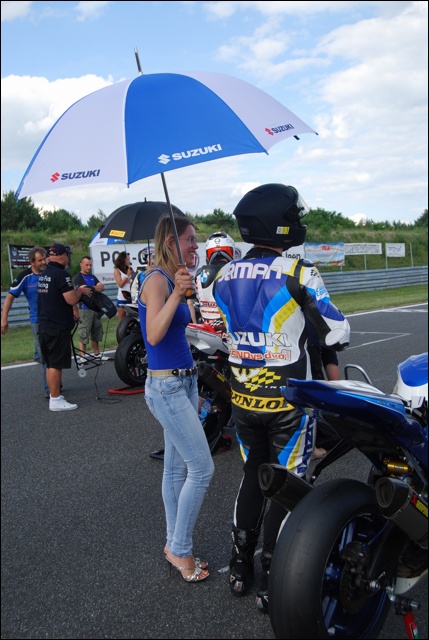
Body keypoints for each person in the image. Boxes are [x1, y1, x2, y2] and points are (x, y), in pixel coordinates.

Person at [213, 183, 350, 612]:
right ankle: (275, 575)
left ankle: (240, 565)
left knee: (253, 475)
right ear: (279, 222)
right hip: (290, 402)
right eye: (295, 214)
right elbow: (337, 332)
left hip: (243, 399)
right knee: (289, 486)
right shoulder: (300, 272)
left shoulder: (223, 274)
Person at [138, 214, 214, 583]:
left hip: (183, 382)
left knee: (176, 470)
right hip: (166, 386)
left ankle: (173, 543)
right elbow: (153, 335)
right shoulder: (156, 280)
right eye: (190, 239)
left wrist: (186, 293)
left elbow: (179, 331)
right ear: (171, 242)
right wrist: (174, 295)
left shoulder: (175, 278)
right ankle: (180, 548)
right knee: (202, 469)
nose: (196, 246)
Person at [38, 243, 93, 412]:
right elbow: (71, 299)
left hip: (45, 324)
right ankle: (55, 399)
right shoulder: (62, 274)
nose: (68, 258)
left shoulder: (44, 274)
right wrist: (80, 291)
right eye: (67, 255)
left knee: (50, 363)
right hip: (57, 325)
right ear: (62, 256)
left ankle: (54, 396)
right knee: (56, 364)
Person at [1, 246, 49, 398]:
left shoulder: (50, 273)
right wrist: (4, 319)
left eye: (44, 259)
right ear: (32, 262)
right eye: (40, 260)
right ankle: (50, 389)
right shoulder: (25, 276)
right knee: (45, 356)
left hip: (54, 320)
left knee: (53, 354)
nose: (44, 262)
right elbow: (10, 297)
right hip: (37, 320)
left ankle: (54, 382)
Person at [307, 325, 341, 459]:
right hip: (306, 395)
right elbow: (333, 375)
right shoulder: (318, 323)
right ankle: (310, 447)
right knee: (337, 434)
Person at [194, 231, 235, 335]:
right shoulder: (236, 272)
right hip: (231, 331)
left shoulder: (199, 274)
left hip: (207, 332)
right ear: (231, 251)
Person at [73, 256, 107, 363]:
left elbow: (101, 287)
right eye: (87, 265)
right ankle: (82, 356)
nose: (89, 267)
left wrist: (91, 288)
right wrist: (94, 288)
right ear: (81, 264)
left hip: (96, 309)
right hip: (85, 309)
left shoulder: (92, 277)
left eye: (90, 265)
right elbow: (85, 289)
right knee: (84, 332)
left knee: (96, 331)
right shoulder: (78, 277)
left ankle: (96, 353)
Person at [113, 251, 133, 321]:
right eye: (127, 259)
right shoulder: (117, 271)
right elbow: (120, 284)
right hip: (122, 298)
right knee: (122, 320)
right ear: (123, 260)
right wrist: (127, 275)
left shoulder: (129, 269)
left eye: (129, 259)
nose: (129, 261)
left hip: (130, 297)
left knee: (131, 319)